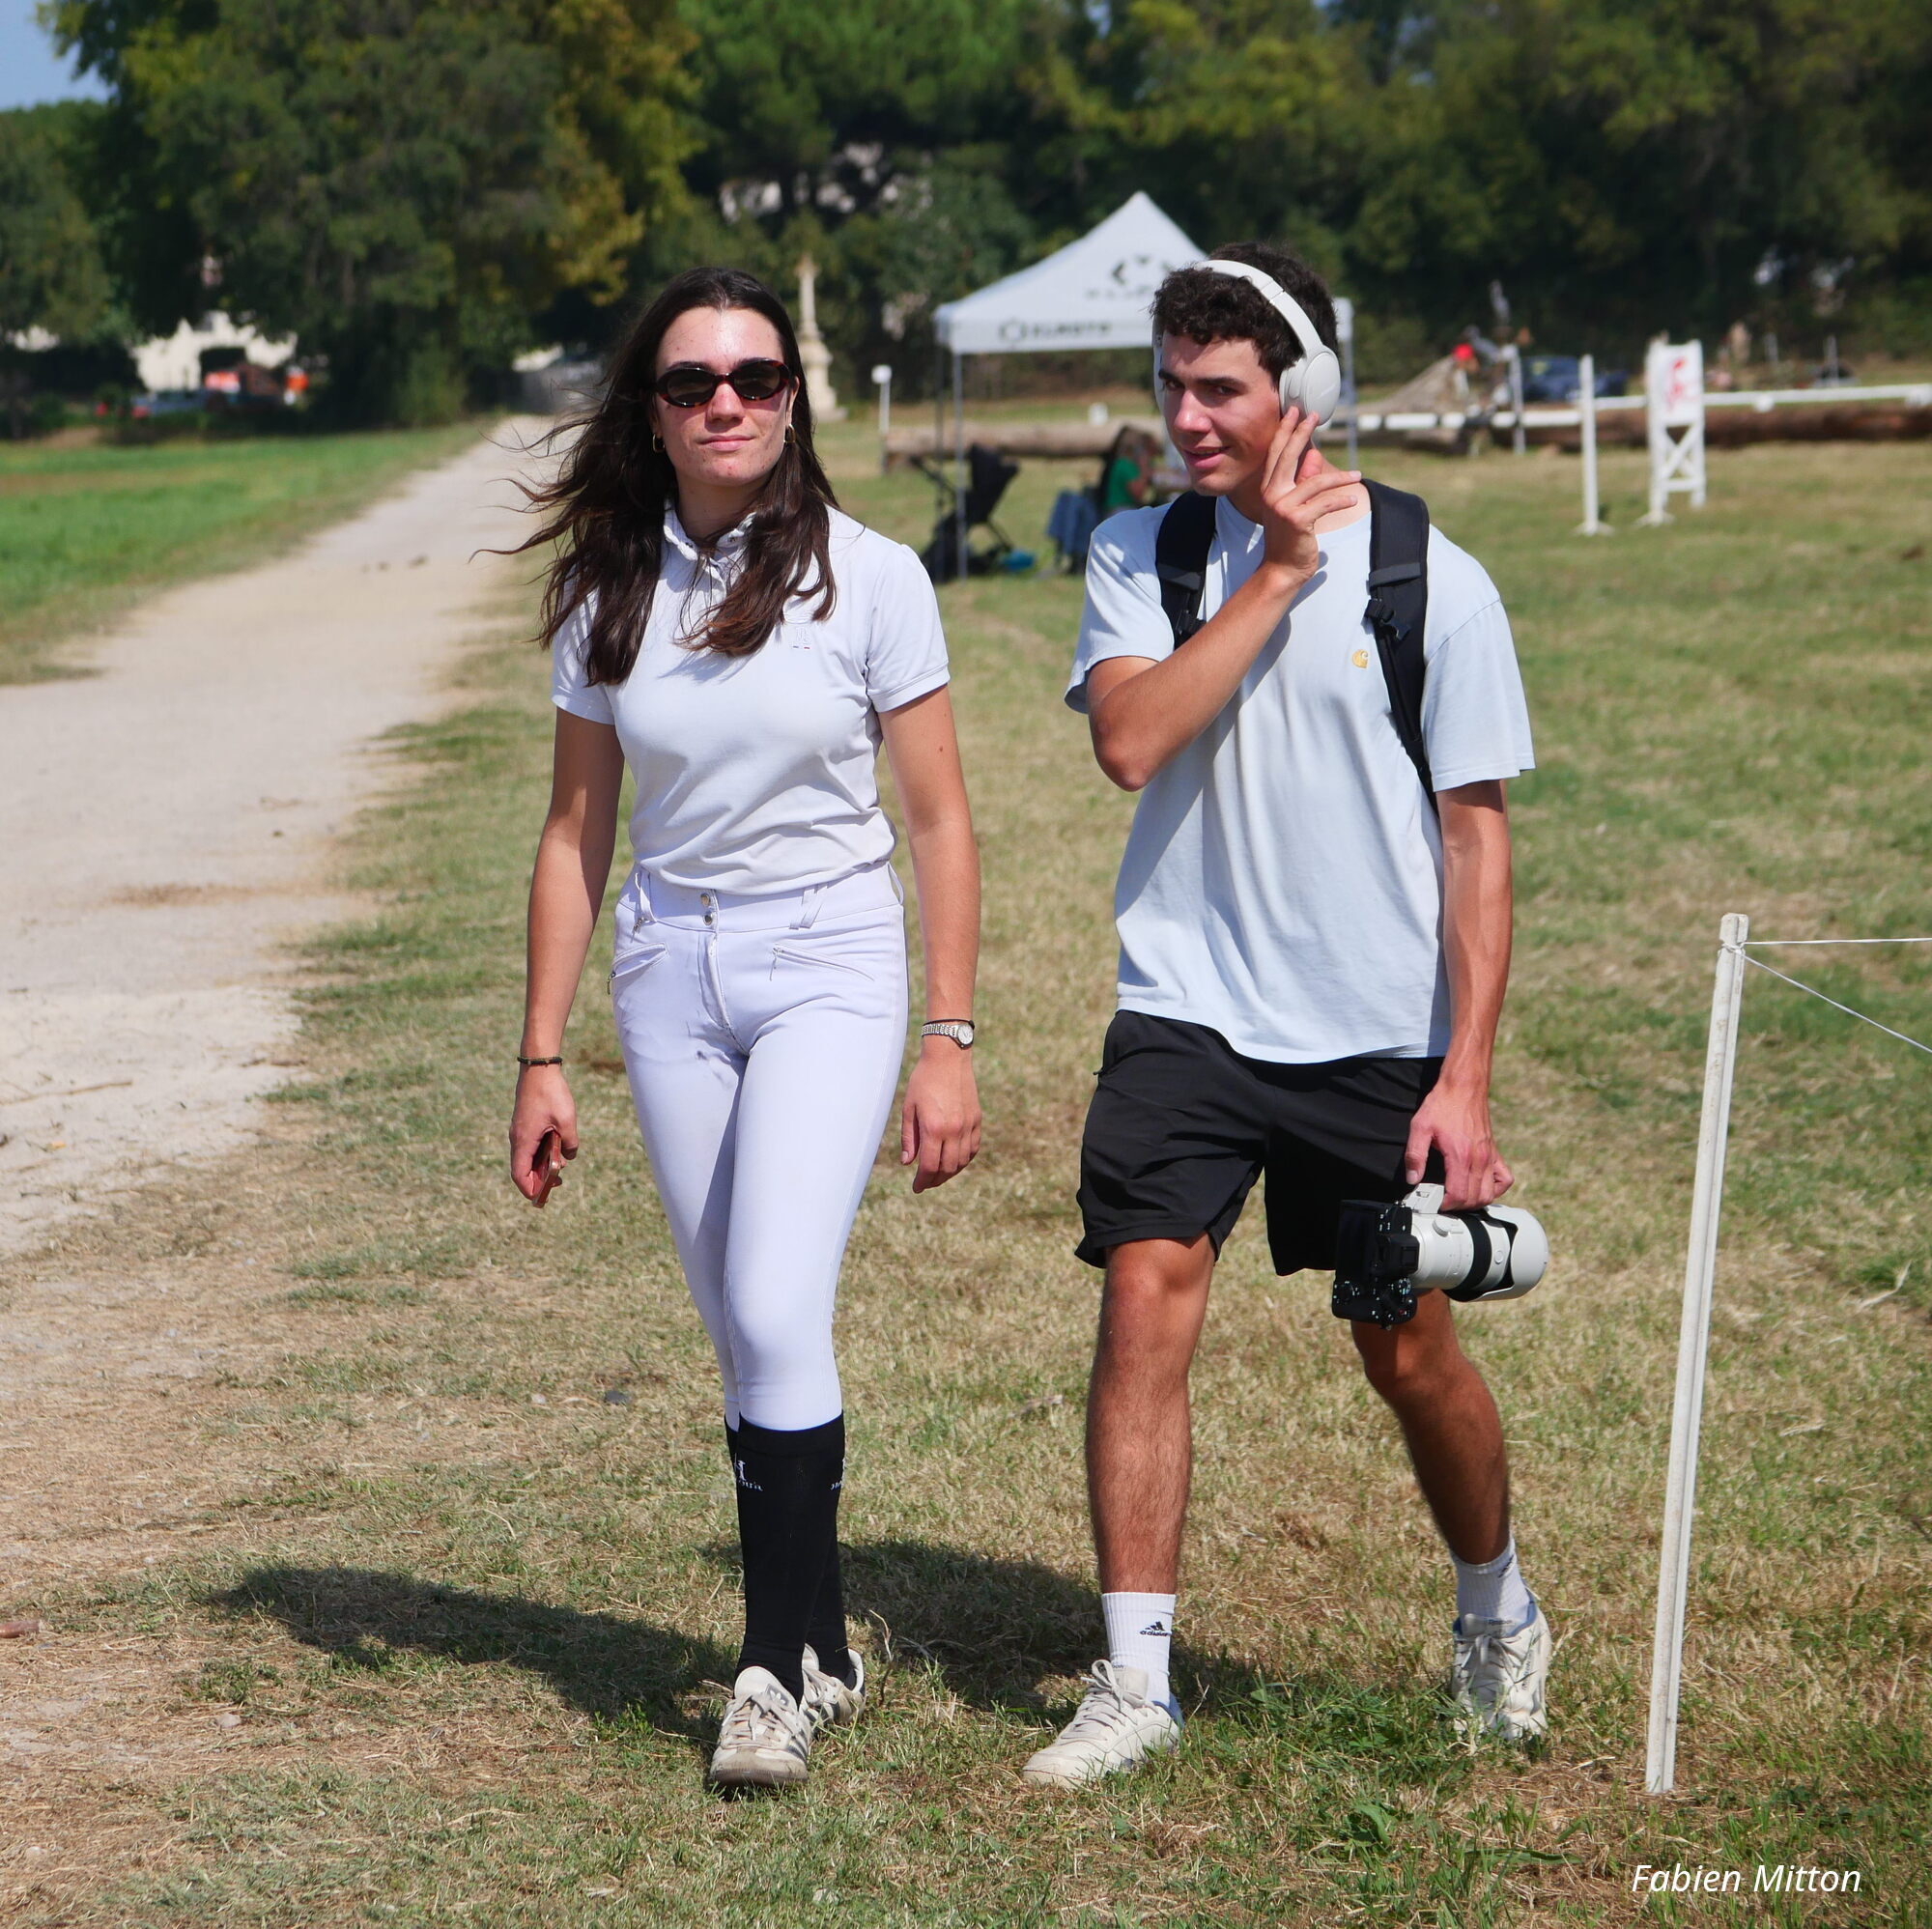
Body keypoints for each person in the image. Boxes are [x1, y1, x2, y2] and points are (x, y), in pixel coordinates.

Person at [1022, 242, 1545, 1789]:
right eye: (1171, 384)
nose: (1185, 416)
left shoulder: (1432, 575)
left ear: (1301, 390)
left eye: (1220, 389)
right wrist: (1271, 573)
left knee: (1406, 1352)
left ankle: (1497, 1605)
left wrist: (1464, 1077)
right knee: (1144, 1296)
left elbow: (1477, 842)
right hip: (1185, 1008)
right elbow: (1131, 741)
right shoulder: (1144, 550)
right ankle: (1136, 1682)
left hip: (1374, 1031)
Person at [507, 267, 982, 1791]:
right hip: (670, 967)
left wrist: (950, 1034)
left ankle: (769, 1674)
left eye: (756, 377)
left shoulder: (873, 578)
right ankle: (824, 1640)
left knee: (776, 1302)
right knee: (742, 1325)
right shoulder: (606, 589)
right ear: (651, 410)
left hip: (830, 957)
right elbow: (576, 831)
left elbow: (940, 819)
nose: (726, 402)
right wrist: (540, 1053)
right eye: (693, 381)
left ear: (794, 399)